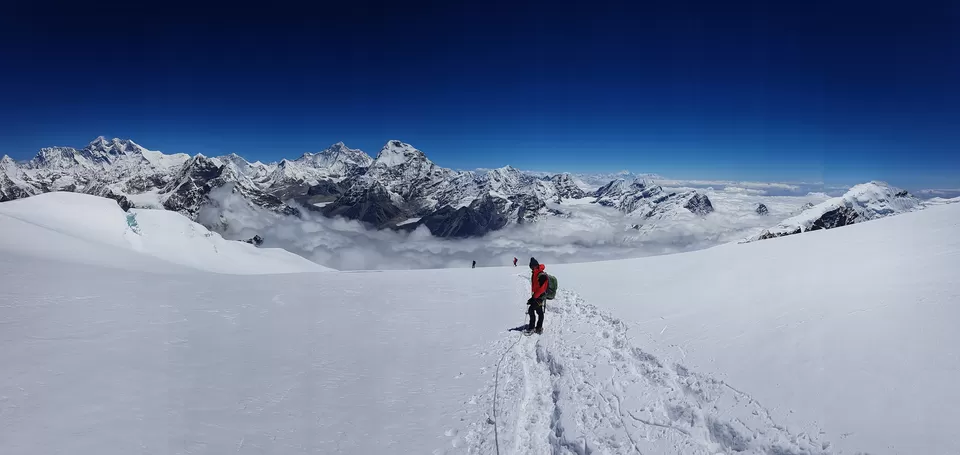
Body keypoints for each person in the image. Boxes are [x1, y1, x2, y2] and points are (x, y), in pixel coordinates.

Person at [526, 257, 549, 334]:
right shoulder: (534, 274)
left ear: (536, 265)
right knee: (539, 311)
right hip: (536, 296)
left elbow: (542, 288)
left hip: (540, 296)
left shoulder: (541, 275)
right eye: (531, 266)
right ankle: (538, 327)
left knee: (531, 310)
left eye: (533, 266)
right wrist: (532, 297)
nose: (532, 268)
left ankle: (533, 327)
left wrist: (534, 297)